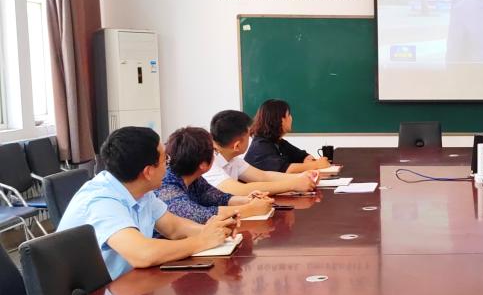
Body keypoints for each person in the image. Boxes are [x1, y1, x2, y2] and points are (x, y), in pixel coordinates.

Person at [58, 126, 235, 280]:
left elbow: (174, 228)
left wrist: (215, 230)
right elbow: (143, 254)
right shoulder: (101, 201)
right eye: (165, 160)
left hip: (124, 287)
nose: (168, 166)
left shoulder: (139, 190)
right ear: (148, 172)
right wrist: (202, 241)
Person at [158, 126, 274, 223]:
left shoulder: (193, 178)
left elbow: (219, 198)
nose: (215, 155)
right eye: (214, 151)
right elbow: (202, 216)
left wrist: (248, 200)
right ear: (203, 164)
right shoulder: (166, 187)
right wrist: (251, 209)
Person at [204, 110, 317, 196]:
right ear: (237, 146)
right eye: (248, 136)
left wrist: (300, 177)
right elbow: (239, 190)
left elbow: (263, 176)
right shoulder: (207, 163)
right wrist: (292, 184)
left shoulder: (233, 159)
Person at [244, 99, 332, 174]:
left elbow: (301, 155)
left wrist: (308, 159)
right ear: (279, 119)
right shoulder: (260, 146)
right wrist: (316, 164)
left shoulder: (279, 142)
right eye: (288, 115)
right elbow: (284, 169)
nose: (291, 118)